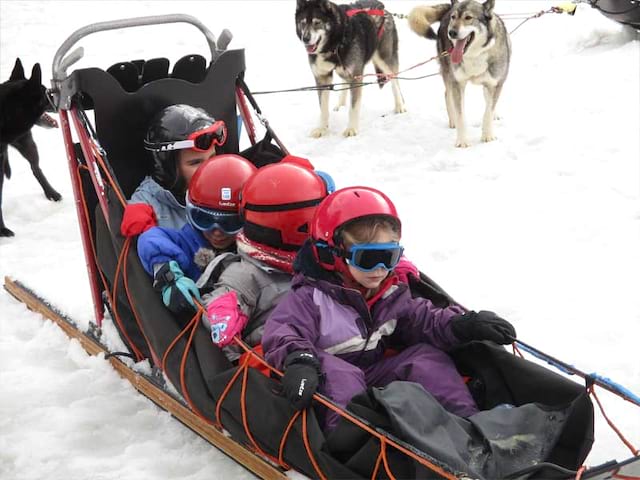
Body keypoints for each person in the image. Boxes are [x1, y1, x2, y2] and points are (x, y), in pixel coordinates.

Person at [262, 186, 517, 431]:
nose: (380, 269)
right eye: (368, 258)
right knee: (341, 374)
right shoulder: (311, 297)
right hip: (327, 378)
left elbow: (422, 320)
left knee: (425, 358)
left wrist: (463, 324)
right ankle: (354, 443)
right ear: (334, 254)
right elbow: (284, 330)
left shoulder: (390, 292)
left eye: (390, 256)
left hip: (373, 373)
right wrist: (301, 361)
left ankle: (469, 426)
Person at [199, 162, 333, 361]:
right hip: (280, 359)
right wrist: (222, 311)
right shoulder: (246, 274)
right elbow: (225, 298)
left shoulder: (321, 259)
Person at [137, 154, 256, 314]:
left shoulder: (256, 250)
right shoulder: (189, 240)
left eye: (229, 223)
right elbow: (150, 240)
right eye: (204, 219)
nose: (217, 232)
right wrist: (169, 275)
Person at [121, 104, 227, 236]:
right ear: (168, 168)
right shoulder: (146, 204)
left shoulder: (227, 186)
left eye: (212, 158)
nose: (208, 169)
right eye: (196, 162)